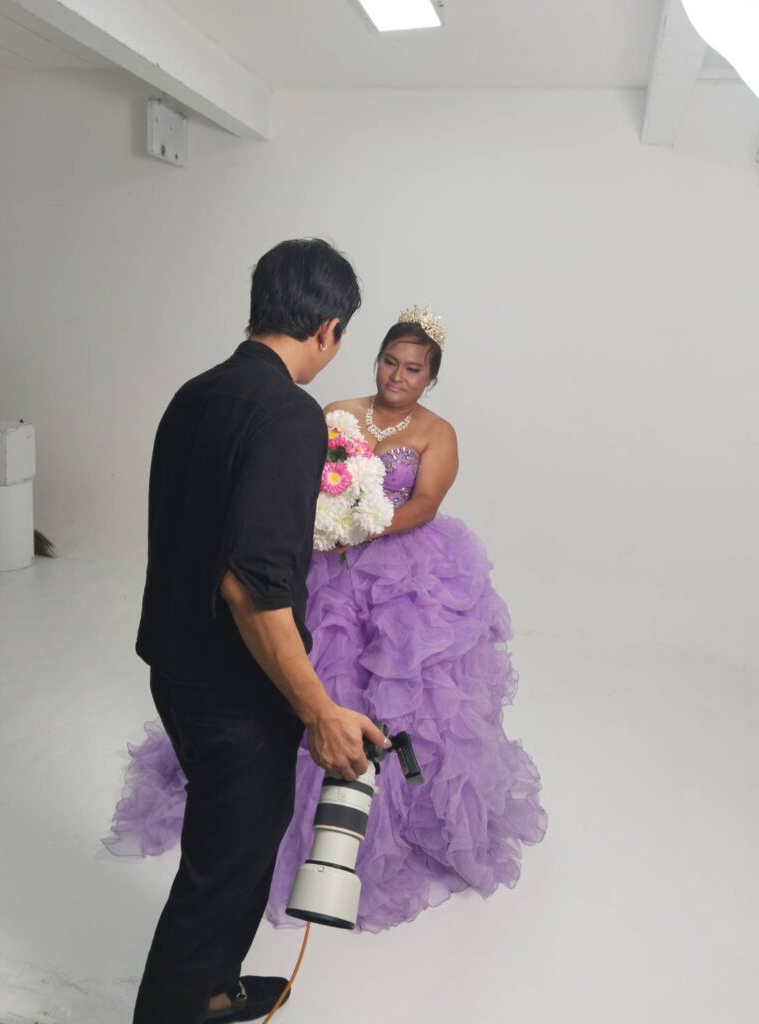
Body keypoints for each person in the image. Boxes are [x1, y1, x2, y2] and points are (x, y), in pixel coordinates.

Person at [108, 305, 547, 940]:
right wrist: (328, 524)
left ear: (431, 378)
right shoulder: (335, 411)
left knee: (404, 688)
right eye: (389, 362)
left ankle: (393, 817)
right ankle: (281, 799)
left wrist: (363, 527)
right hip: (325, 561)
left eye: (413, 369)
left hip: (402, 571)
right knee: (313, 667)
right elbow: (293, 484)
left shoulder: (438, 433)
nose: (397, 376)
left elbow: (425, 505)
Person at [129, 238, 390, 1024]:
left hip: (176, 666)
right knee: (220, 873)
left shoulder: (195, 393)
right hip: (233, 690)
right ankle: (176, 1005)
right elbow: (251, 584)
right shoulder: (287, 414)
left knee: (244, 840)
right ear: (328, 329)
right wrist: (319, 711)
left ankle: (213, 990)